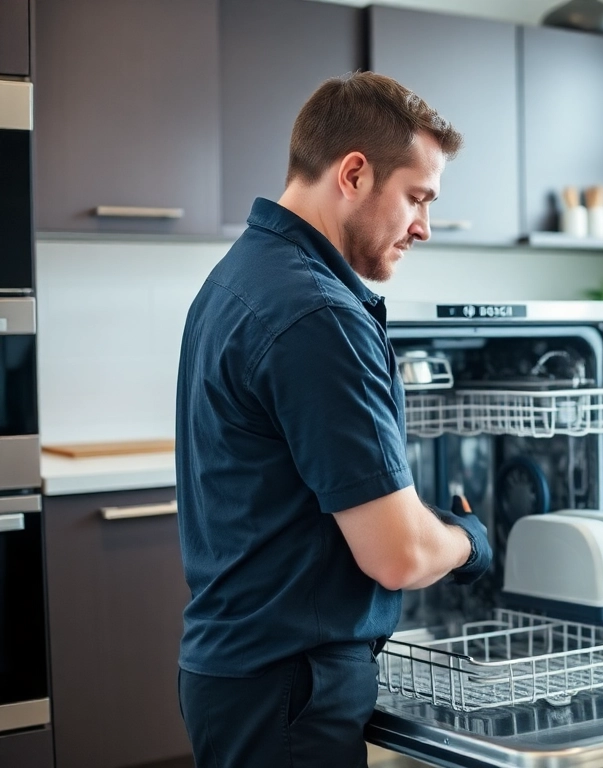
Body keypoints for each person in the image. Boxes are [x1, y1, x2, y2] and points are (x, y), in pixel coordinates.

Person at [174, 71, 491, 768]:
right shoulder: (319, 315)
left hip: (240, 673)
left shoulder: (239, 276)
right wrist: (469, 539)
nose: (424, 227)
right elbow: (399, 556)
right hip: (291, 685)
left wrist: (406, 517)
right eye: (417, 197)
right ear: (354, 173)